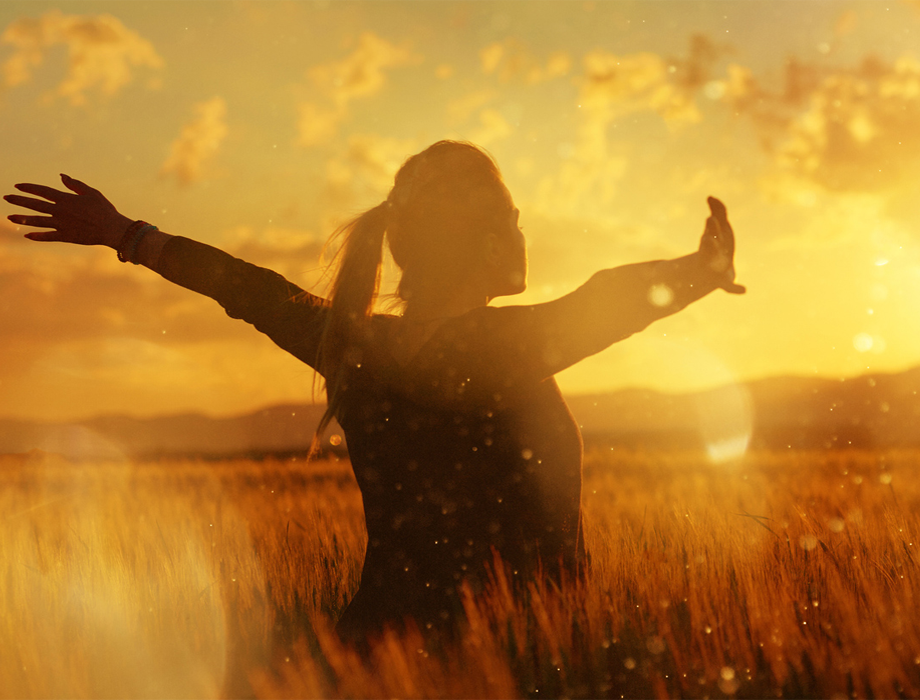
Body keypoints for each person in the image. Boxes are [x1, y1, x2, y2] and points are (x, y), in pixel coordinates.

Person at [4, 140, 744, 644]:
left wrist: (126, 233)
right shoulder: (502, 350)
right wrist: (697, 273)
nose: (520, 235)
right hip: (511, 658)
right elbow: (604, 299)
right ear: (484, 240)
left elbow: (245, 287)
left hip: (378, 645)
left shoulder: (350, 346)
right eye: (509, 221)